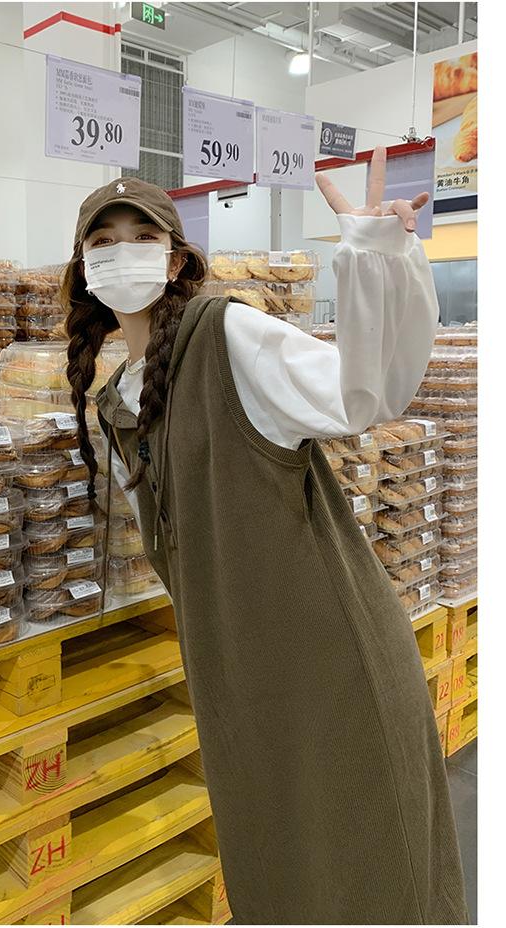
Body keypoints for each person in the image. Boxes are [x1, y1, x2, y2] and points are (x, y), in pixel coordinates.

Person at [62, 148, 469, 925]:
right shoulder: (115, 404)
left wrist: (374, 254)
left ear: (175, 258)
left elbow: (365, 394)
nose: (121, 252)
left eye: (141, 235)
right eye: (102, 241)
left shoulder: (227, 337)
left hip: (327, 660)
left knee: (365, 872)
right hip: (237, 671)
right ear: (84, 269)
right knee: (274, 864)